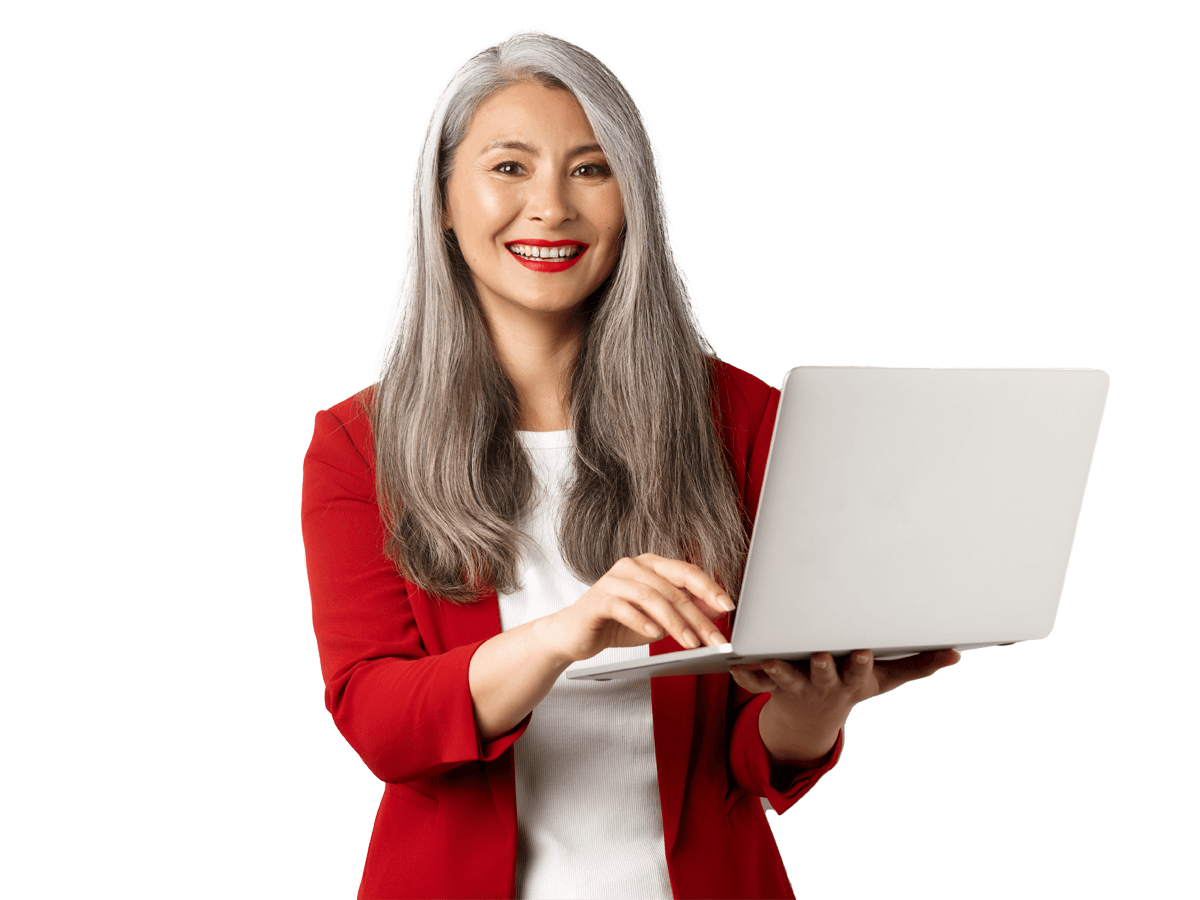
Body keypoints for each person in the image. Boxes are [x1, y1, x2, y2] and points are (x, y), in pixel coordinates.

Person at [300, 28, 960, 900]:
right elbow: (381, 724)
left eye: (590, 168)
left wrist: (814, 707)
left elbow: (753, 755)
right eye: (509, 168)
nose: (551, 207)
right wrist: (569, 635)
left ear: (635, 199)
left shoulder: (742, 417)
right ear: (444, 202)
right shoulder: (358, 443)